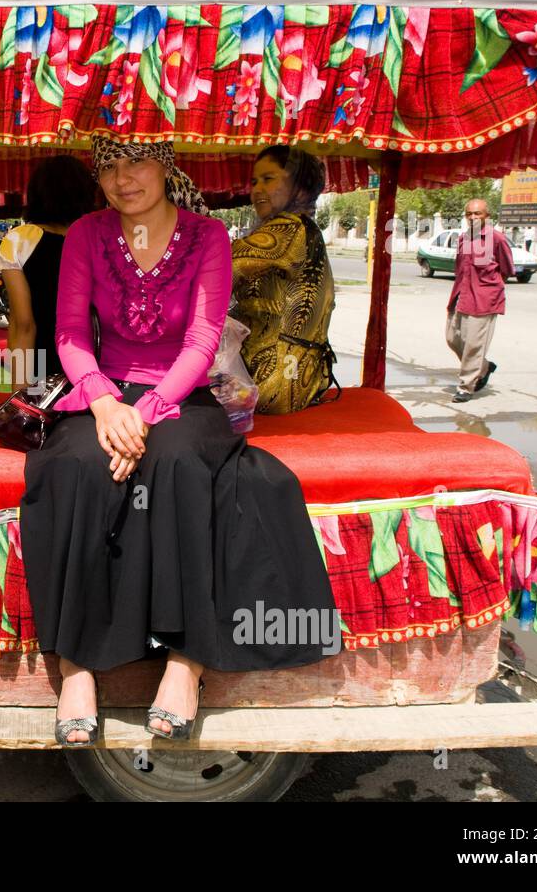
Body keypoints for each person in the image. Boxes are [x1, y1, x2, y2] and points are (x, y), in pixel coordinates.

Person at [20, 137, 337, 746]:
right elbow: (67, 335)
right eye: (108, 166)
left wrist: (150, 410)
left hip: (184, 392)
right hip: (103, 390)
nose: (122, 179)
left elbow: (201, 339)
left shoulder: (207, 237)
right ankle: (75, 663)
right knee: (74, 465)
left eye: (136, 162)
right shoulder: (87, 233)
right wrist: (107, 401)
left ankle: (186, 663)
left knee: (178, 462)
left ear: (166, 167)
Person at [230, 146, 335, 415]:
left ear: (299, 186)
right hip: (298, 376)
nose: (257, 189)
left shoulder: (289, 228)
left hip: (275, 383)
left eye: (269, 178)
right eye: (254, 181)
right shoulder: (303, 226)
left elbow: (223, 265)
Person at [0, 155, 96, 385]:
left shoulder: (19, 241)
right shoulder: (97, 239)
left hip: (43, 368)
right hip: (96, 364)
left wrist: (19, 392)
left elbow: (24, 324)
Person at [446, 198, 514, 403]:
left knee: (473, 345)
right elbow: (460, 269)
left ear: (487, 216)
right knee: (452, 338)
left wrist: (489, 289)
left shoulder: (497, 239)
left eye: (478, 214)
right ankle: (483, 367)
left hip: (484, 299)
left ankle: (466, 386)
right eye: (469, 214)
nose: (473, 217)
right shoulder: (463, 238)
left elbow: (507, 269)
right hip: (462, 295)